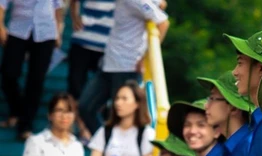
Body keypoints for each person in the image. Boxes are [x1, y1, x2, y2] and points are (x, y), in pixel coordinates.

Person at [78, 0, 169, 136]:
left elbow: (163, 23)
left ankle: (116, 150)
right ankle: (105, 144)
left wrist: (145, 57)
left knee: (121, 116)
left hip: (126, 67)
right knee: (85, 107)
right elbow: (160, 4)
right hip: (108, 64)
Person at [0, 0, 64, 140]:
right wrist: (0, 26)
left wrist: (59, 30)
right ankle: (16, 110)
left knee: (36, 80)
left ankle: (25, 125)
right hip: (18, 29)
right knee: (8, 74)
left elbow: (58, 7)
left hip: (46, 32)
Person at [68, 0, 116, 142]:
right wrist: (74, 17)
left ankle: (90, 128)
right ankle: (82, 128)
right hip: (82, 39)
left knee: (100, 91)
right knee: (76, 87)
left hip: (108, 46)